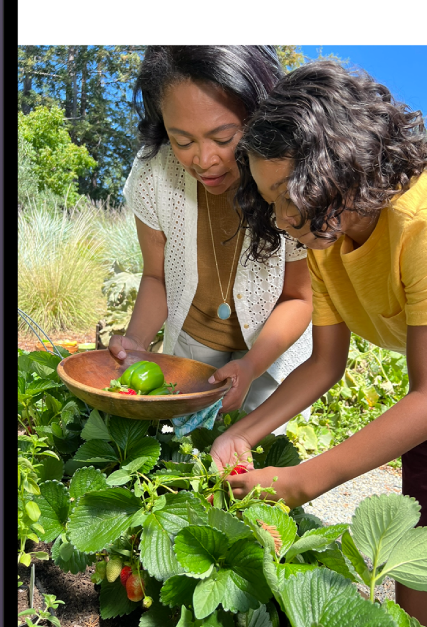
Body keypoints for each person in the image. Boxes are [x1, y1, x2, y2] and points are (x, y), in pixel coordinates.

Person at [212, 60, 427, 627]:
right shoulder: (326, 238)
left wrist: (305, 478)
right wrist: (241, 433)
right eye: (269, 199)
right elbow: (325, 363)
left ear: (341, 161)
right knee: (423, 543)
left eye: (288, 193)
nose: (280, 216)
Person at [109, 46, 313, 422]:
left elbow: (298, 298)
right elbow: (157, 277)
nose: (203, 160)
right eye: (182, 141)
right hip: (192, 342)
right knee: (185, 450)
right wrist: (136, 342)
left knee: (256, 458)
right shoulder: (154, 172)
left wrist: (251, 365)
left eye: (223, 139)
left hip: (272, 352)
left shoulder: (290, 179)